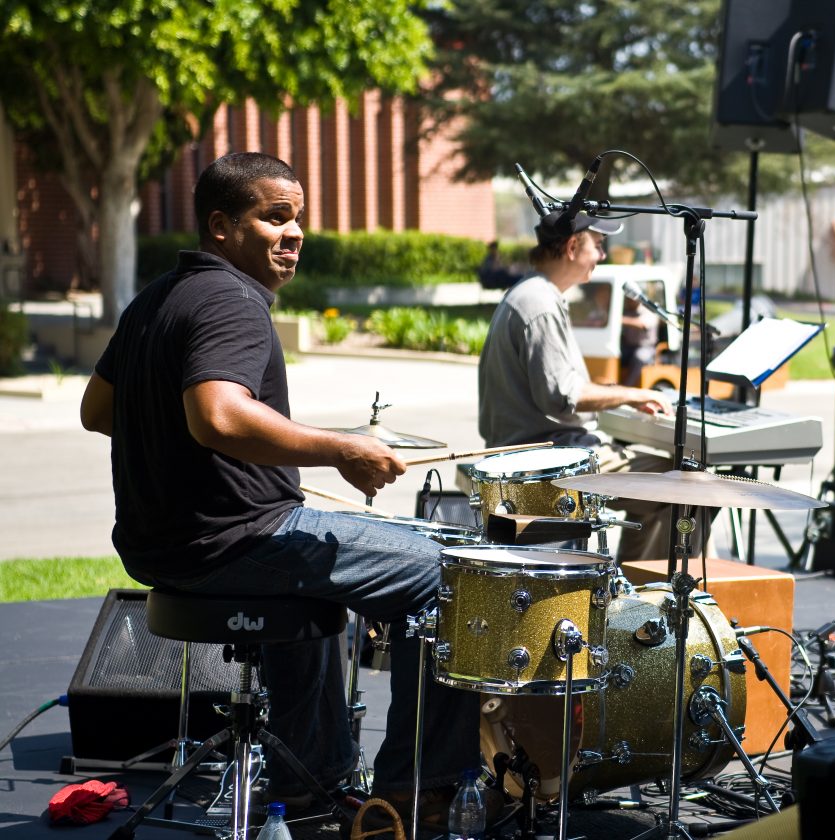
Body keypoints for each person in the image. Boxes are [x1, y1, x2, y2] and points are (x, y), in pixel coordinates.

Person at [80, 152, 494, 832]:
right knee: (454, 574)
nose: (293, 233)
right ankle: (421, 793)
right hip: (234, 542)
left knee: (314, 569)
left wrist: (182, 459)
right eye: (274, 217)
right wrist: (342, 448)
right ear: (221, 225)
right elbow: (218, 414)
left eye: (296, 218)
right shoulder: (231, 300)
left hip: (161, 550)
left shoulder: (157, 296)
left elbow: (100, 411)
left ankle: (311, 786)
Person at [478, 210, 684, 563]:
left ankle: (636, 598)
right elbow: (563, 396)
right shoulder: (539, 302)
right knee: (681, 487)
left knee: (673, 477)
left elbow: (560, 387)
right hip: (550, 462)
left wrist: (620, 396)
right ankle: (640, 606)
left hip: (541, 453)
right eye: (599, 246)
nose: (602, 257)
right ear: (572, 246)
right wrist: (636, 394)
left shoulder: (533, 293)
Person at [619, 291, 660, 387]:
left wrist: (620, 319)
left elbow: (641, 324)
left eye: (631, 298)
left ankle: (627, 387)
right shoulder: (626, 311)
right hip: (628, 346)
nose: (629, 301)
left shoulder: (649, 311)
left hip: (646, 348)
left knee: (639, 357)